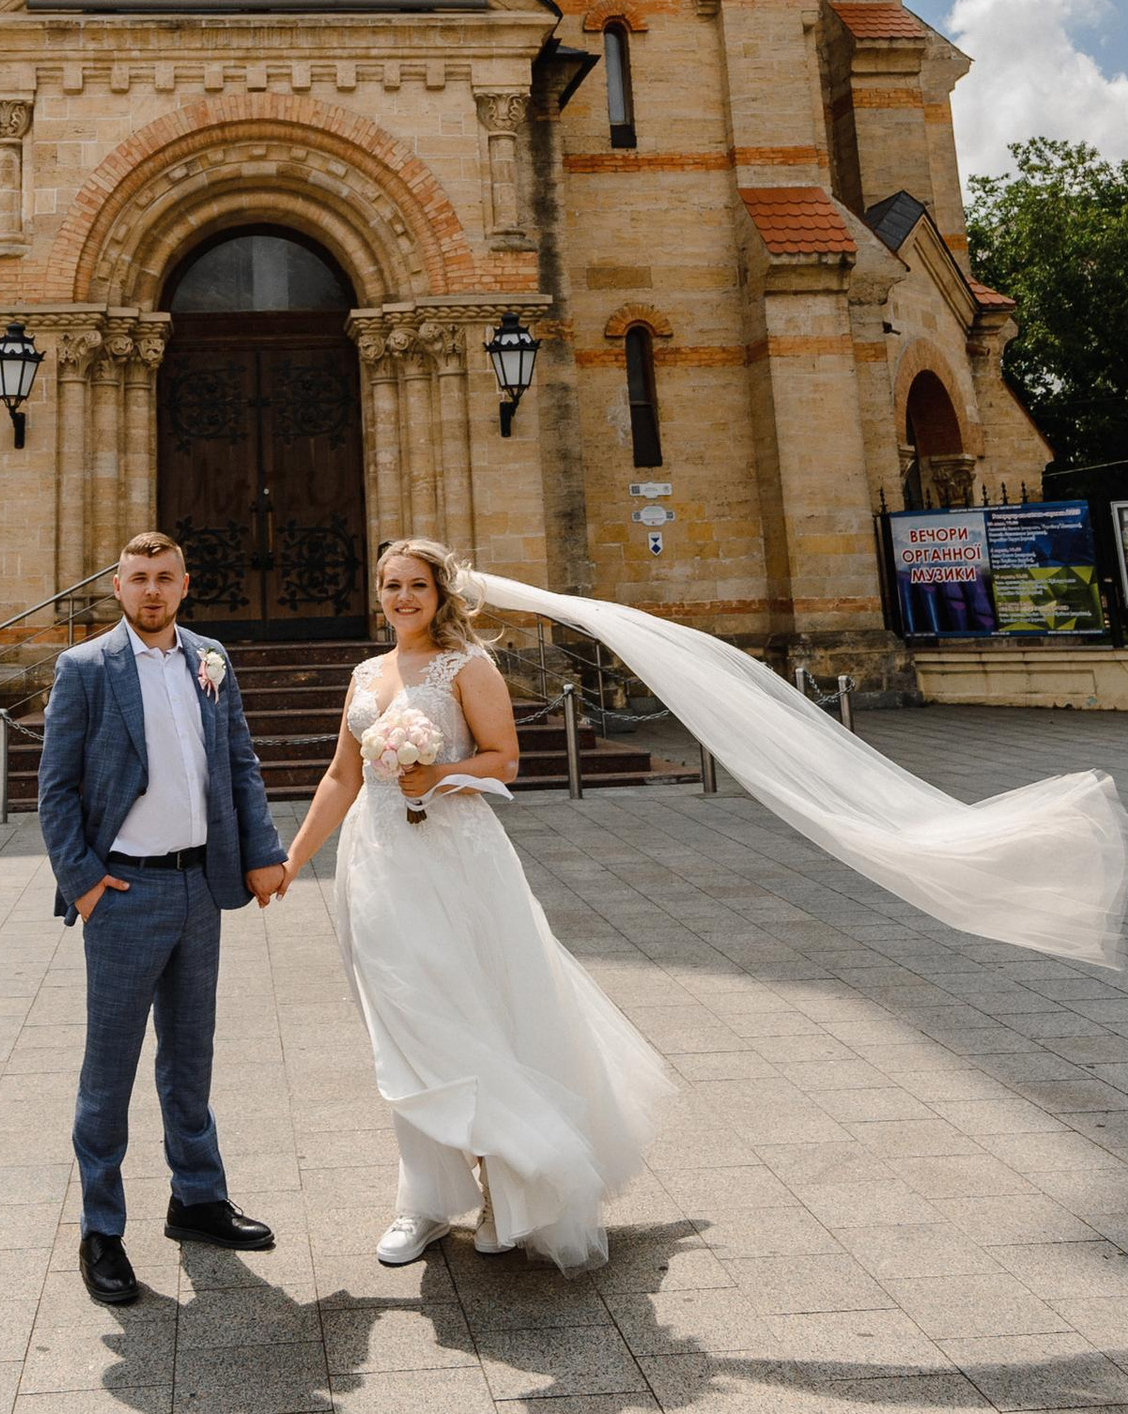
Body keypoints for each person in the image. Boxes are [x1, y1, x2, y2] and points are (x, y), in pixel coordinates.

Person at [282, 537, 677, 1274]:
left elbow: (504, 758)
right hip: (377, 858)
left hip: (457, 857)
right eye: (391, 585)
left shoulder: (467, 665)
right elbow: (342, 775)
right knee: (404, 1022)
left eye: (416, 585)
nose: (402, 597)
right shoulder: (365, 673)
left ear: (440, 594)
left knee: (476, 1012)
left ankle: (508, 1185)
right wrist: (292, 861)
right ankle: (425, 1201)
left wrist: (437, 774)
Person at [38, 528, 289, 1306]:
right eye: (138, 577)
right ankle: (101, 1228)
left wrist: (262, 850)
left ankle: (197, 1197)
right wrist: (85, 884)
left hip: (199, 888)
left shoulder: (210, 658)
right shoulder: (85, 668)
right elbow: (56, 790)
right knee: (108, 1068)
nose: (152, 590)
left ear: (185, 584)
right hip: (125, 893)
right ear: (118, 585)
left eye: (165, 577)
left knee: (190, 1054)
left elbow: (239, 761)